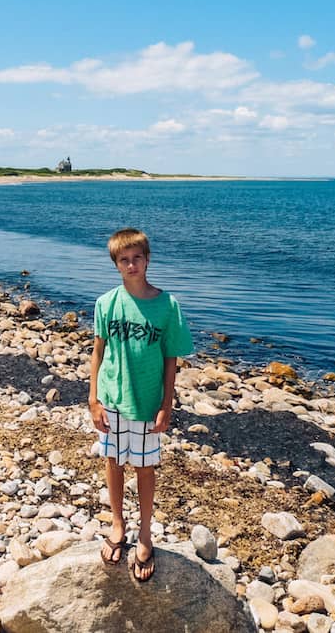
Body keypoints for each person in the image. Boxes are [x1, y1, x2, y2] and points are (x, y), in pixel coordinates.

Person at [88, 228, 193, 582]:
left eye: (137, 258)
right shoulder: (107, 303)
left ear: (148, 260)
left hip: (147, 402)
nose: (131, 265)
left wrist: (167, 404)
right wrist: (93, 399)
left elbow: (170, 359)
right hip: (112, 398)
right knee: (114, 461)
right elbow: (98, 351)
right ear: (115, 264)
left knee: (145, 469)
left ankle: (145, 534)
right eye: (124, 260)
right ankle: (117, 524)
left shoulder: (168, 306)